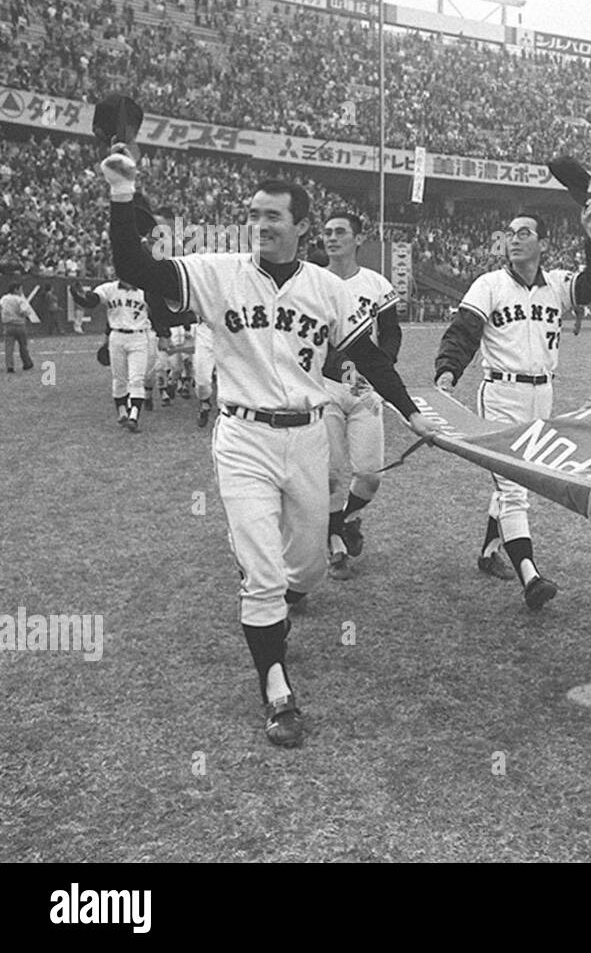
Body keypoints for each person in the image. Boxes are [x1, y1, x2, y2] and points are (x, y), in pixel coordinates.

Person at [98, 146, 438, 748]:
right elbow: (135, 268)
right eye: (253, 215)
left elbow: (367, 356)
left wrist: (412, 413)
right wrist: (123, 197)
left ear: (300, 225)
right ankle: (276, 690)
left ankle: (283, 580)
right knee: (263, 577)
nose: (260, 225)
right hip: (243, 436)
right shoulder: (217, 272)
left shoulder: (329, 290)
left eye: (273, 216)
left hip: (307, 436)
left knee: (304, 568)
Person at [434, 206, 591, 611]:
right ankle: (530, 576)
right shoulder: (490, 284)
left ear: (543, 243)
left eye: (524, 232)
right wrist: (447, 372)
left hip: (542, 395)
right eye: (510, 233)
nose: (513, 239)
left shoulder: (557, 285)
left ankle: (488, 551)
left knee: (517, 479)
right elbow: (464, 331)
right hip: (499, 392)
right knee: (514, 489)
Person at [320, 212, 401, 581]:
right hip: (323, 387)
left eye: (340, 232)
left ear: (358, 239)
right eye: (327, 232)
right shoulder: (312, 280)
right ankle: (334, 541)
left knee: (369, 475)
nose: (332, 238)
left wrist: (380, 367)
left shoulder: (376, 283)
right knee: (333, 475)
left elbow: (391, 333)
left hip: (365, 388)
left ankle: (346, 519)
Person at [70, 276, 153, 430]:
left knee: (136, 379)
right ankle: (122, 411)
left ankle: (134, 416)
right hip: (117, 336)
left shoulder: (146, 290)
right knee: (119, 378)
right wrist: (78, 296)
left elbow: (157, 313)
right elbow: (92, 301)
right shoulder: (109, 288)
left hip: (139, 336)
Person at [2, 282, 39, 372]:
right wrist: (26, 314)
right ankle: (27, 363)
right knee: (23, 346)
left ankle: (9, 366)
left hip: (8, 325)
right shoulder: (20, 300)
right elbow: (24, 311)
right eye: (20, 289)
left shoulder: (4, 298)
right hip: (19, 325)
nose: (21, 291)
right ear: (16, 290)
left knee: (9, 347)